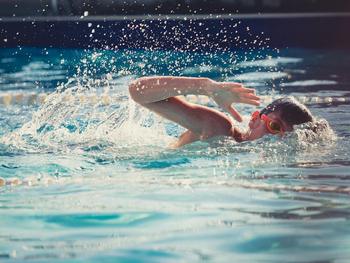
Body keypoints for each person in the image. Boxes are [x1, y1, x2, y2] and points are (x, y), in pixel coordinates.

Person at [129, 76, 314, 147]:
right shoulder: (221, 128)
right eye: (274, 127)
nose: (275, 140)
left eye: (286, 137)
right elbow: (137, 91)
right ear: (254, 119)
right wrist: (203, 87)